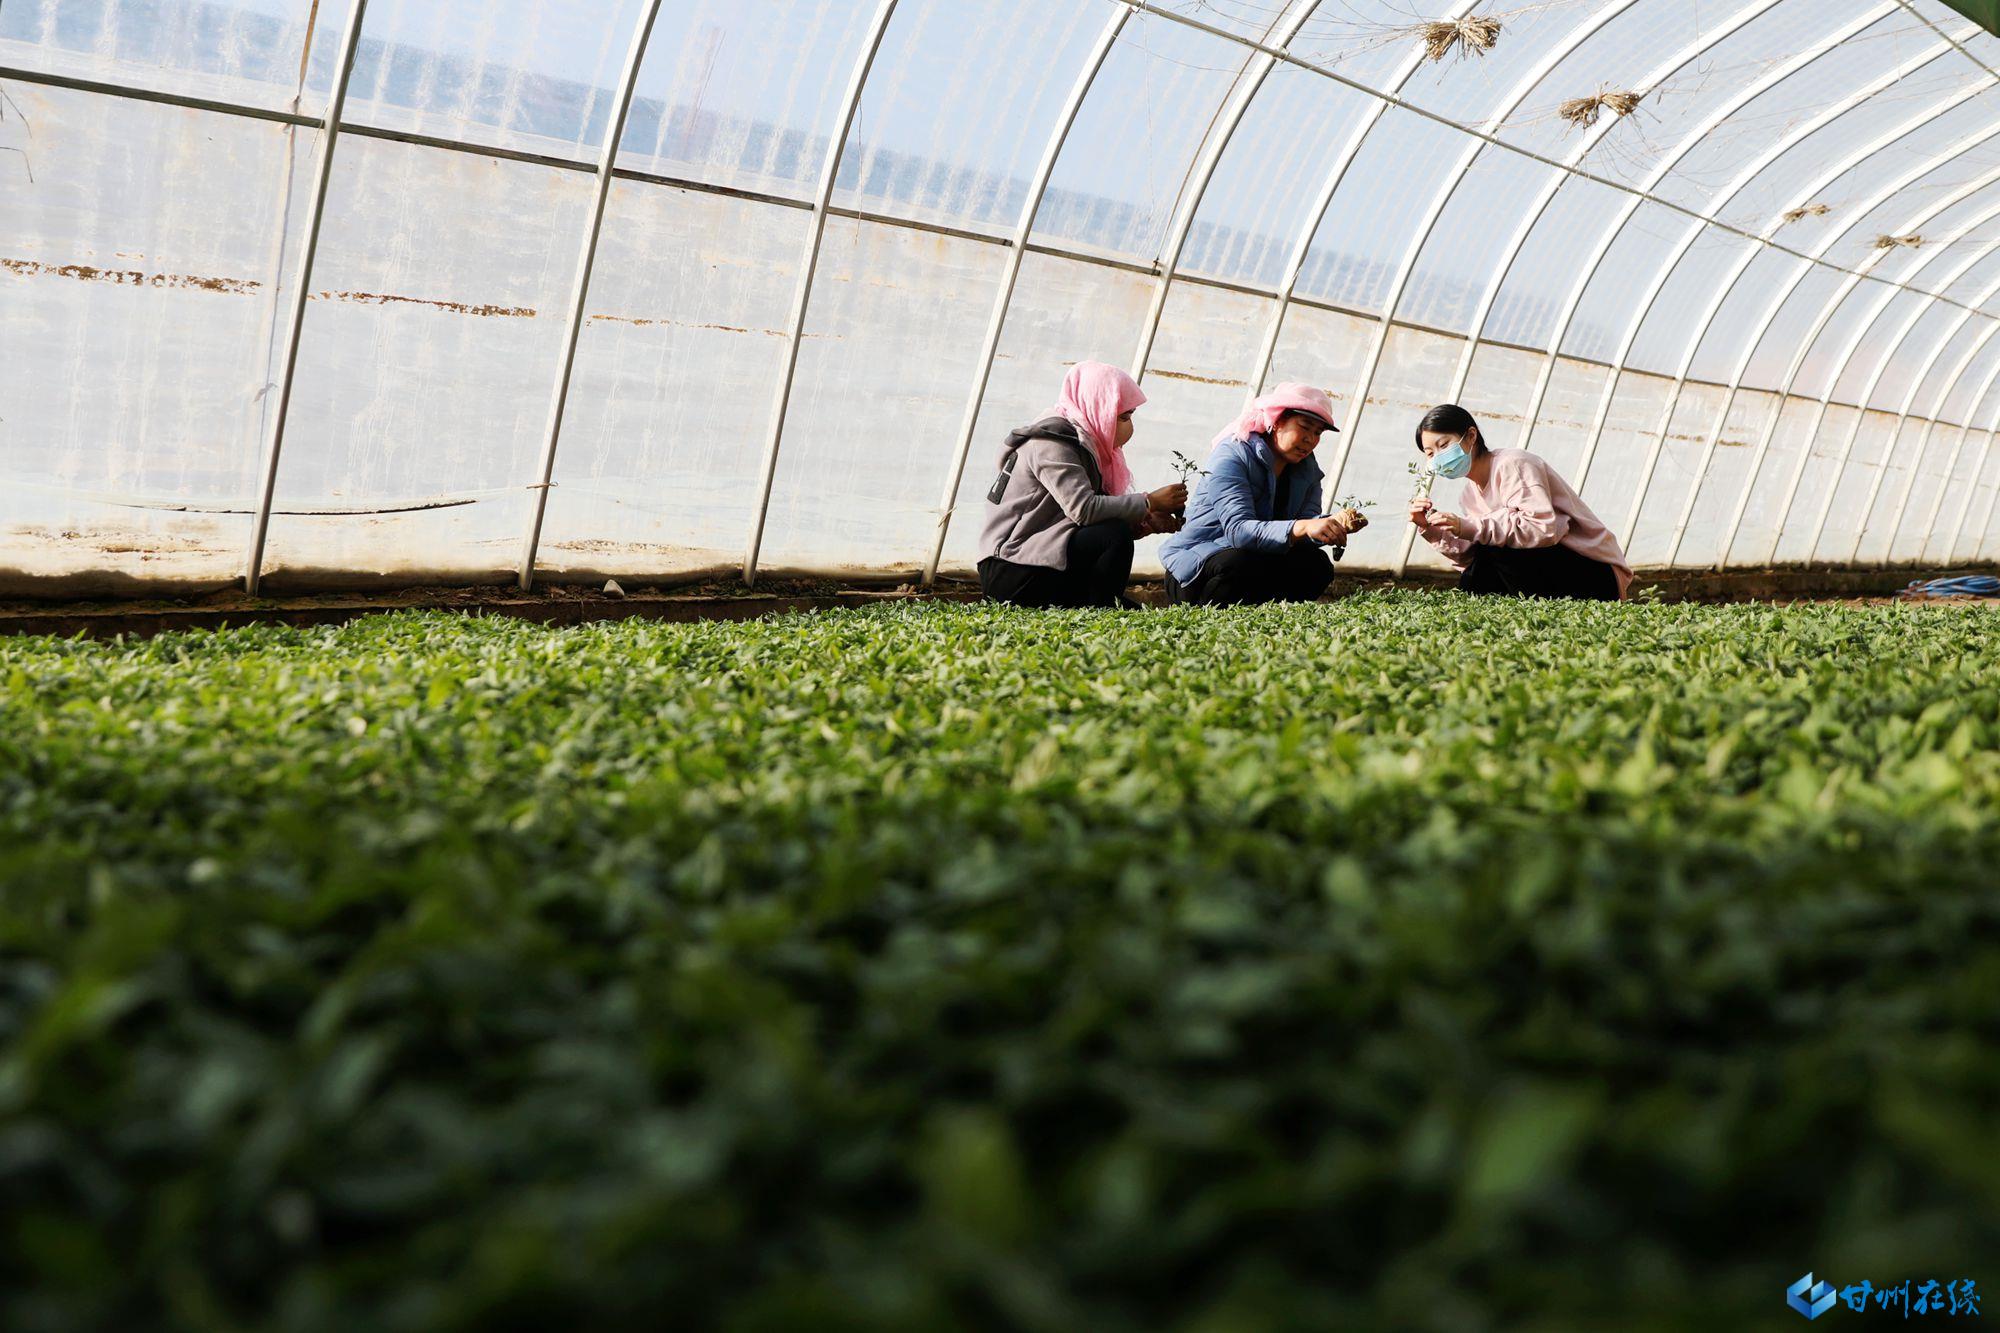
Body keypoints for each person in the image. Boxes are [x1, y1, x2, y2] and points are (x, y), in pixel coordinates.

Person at [979, 362, 1186, 608]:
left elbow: (1086, 521)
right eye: (1123, 417)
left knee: (1118, 543)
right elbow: (1084, 510)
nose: (1129, 426)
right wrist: (1148, 501)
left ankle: (1102, 605)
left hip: (1037, 559)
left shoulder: (1080, 444)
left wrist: (1145, 522)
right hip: (1010, 568)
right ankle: (1104, 609)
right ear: (1098, 407)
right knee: (1114, 534)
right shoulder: (1051, 443)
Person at [1158, 383, 1367, 606]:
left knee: (1316, 564)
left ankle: (1270, 615)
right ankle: (1208, 612)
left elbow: (1306, 523)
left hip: (1257, 561)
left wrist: (1329, 525)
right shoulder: (1232, 455)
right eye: (1305, 427)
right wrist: (1304, 527)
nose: (1311, 439)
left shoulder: (1308, 470)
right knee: (1240, 562)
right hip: (1197, 570)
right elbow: (1239, 531)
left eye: (1318, 433)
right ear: (1276, 422)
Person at [1407, 403, 1632, 601]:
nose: (1438, 457)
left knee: (1495, 546)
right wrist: (1430, 528)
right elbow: (1473, 558)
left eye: (1444, 445)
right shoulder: (1468, 496)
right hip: (1548, 571)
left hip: (1595, 574)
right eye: (1430, 453)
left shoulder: (1513, 464)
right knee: (1484, 558)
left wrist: (1470, 526)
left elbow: (1542, 528)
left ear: (1472, 436)